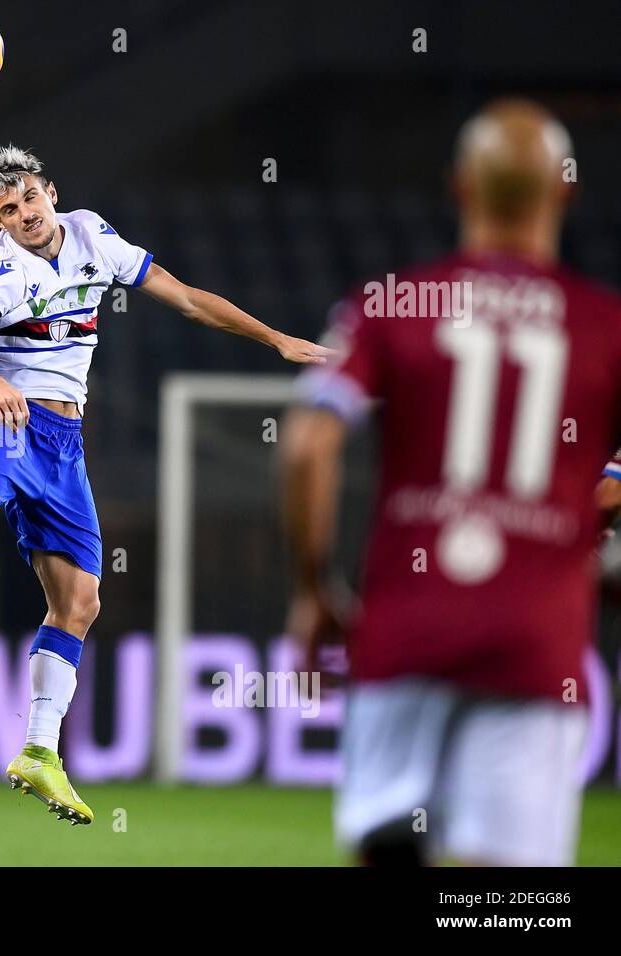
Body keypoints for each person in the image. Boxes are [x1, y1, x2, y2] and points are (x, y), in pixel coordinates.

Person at [0, 145, 330, 825]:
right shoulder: (3, 271)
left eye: (30, 200)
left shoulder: (93, 235)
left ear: (50, 191)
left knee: (79, 601)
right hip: (5, 419)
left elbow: (186, 298)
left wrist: (278, 341)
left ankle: (39, 753)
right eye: (7, 211)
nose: (23, 216)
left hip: (65, 445)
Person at [282, 99, 621, 865]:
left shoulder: (391, 306)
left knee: (392, 848)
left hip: (406, 635)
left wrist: (312, 590)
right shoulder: (603, 325)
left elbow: (307, 443)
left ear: (461, 186)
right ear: (563, 192)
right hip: (536, 649)